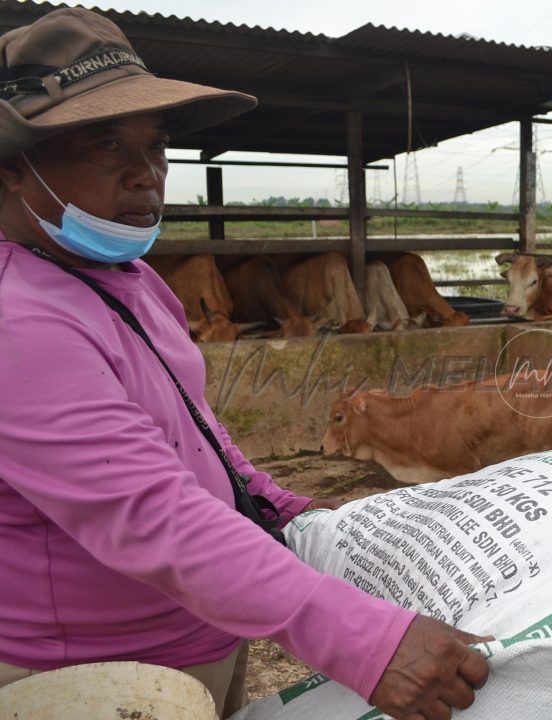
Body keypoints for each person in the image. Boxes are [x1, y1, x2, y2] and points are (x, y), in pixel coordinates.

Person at [0, 8, 487, 720]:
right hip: (94, 669)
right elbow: (151, 513)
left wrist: (278, 504)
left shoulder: (131, 280)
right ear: (14, 166)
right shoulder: (19, 323)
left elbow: (191, 423)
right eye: (107, 144)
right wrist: (367, 640)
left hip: (207, 626)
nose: (147, 177)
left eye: (157, 147)